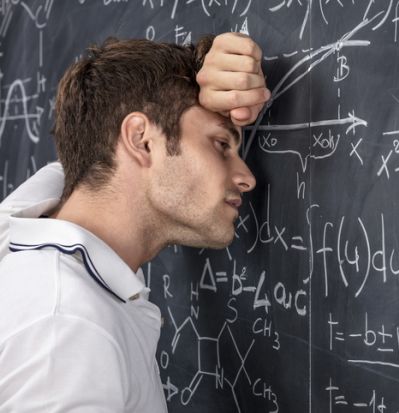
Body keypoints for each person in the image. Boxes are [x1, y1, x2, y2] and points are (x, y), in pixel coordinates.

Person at [0, 32, 269, 412]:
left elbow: (89, 161)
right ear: (142, 140)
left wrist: (207, 62)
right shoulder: (67, 328)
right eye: (221, 145)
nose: (246, 177)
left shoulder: (31, 253)